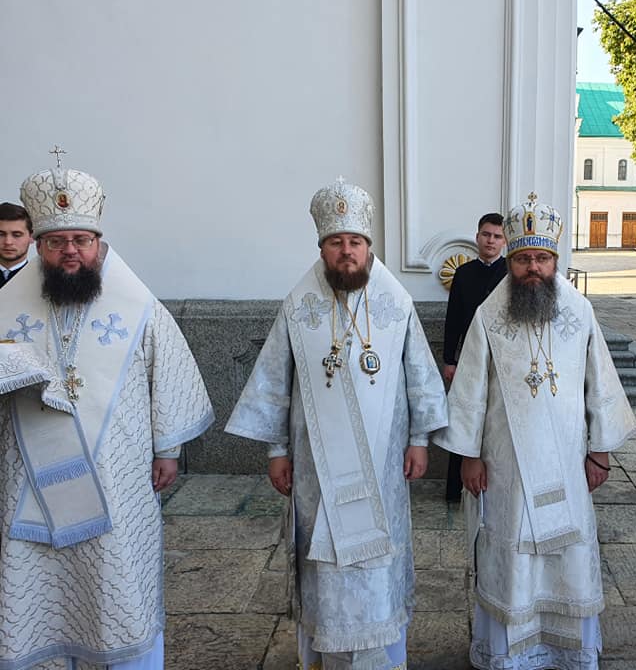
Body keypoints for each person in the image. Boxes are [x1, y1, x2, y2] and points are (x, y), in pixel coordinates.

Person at [224, 177, 447, 670]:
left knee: (376, 559)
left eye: (355, 242)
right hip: (315, 470)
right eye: (336, 242)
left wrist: (419, 440)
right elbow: (274, 381)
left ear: (368, 246)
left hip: (383, 465)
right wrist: (276, 451)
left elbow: (420, 377)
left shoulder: (396, 303)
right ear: (322, 248)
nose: (347, 251)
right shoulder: (298, 306)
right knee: (323, 559)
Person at [0, 158, 213, 669]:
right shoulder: (6, 306)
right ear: (39, 246)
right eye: (57, 241)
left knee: (118, 584)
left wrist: (168, 449)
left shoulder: (138, 306)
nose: (70, 250)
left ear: (99, 243)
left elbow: (169, 376)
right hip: (25, 482)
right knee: (36, 585)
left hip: (118, 478)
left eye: (81, 240)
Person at [433, 192, 636, 670]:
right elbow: (470, 389)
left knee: (568, 550)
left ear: (555, 260)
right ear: (510, 261)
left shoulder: (580, 311)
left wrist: (601, 452)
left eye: (541, 259)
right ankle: (512, 653)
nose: (533, 268)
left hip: (567, 458)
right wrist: (469, 456)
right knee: (511, 547)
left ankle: (567, 651)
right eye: (523, 259)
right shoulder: (489, 315)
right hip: (504, 462)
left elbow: (599, 385)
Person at [441, 212, 507, 502]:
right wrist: (449, 359)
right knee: (465, 416)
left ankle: (495, 484)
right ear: (477, 237)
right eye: (486, 235)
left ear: (504, 241)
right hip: (468, 359)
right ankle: (454, 489)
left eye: (497, 236)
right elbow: (453, 319)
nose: (491, 241)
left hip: (502, 360)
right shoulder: (464, 273)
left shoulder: (511, 273)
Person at [0, 201, 33, 289]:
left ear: (31, 236)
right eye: (1, 234)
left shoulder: (43, 280)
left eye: (17, 235)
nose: (8, 242)